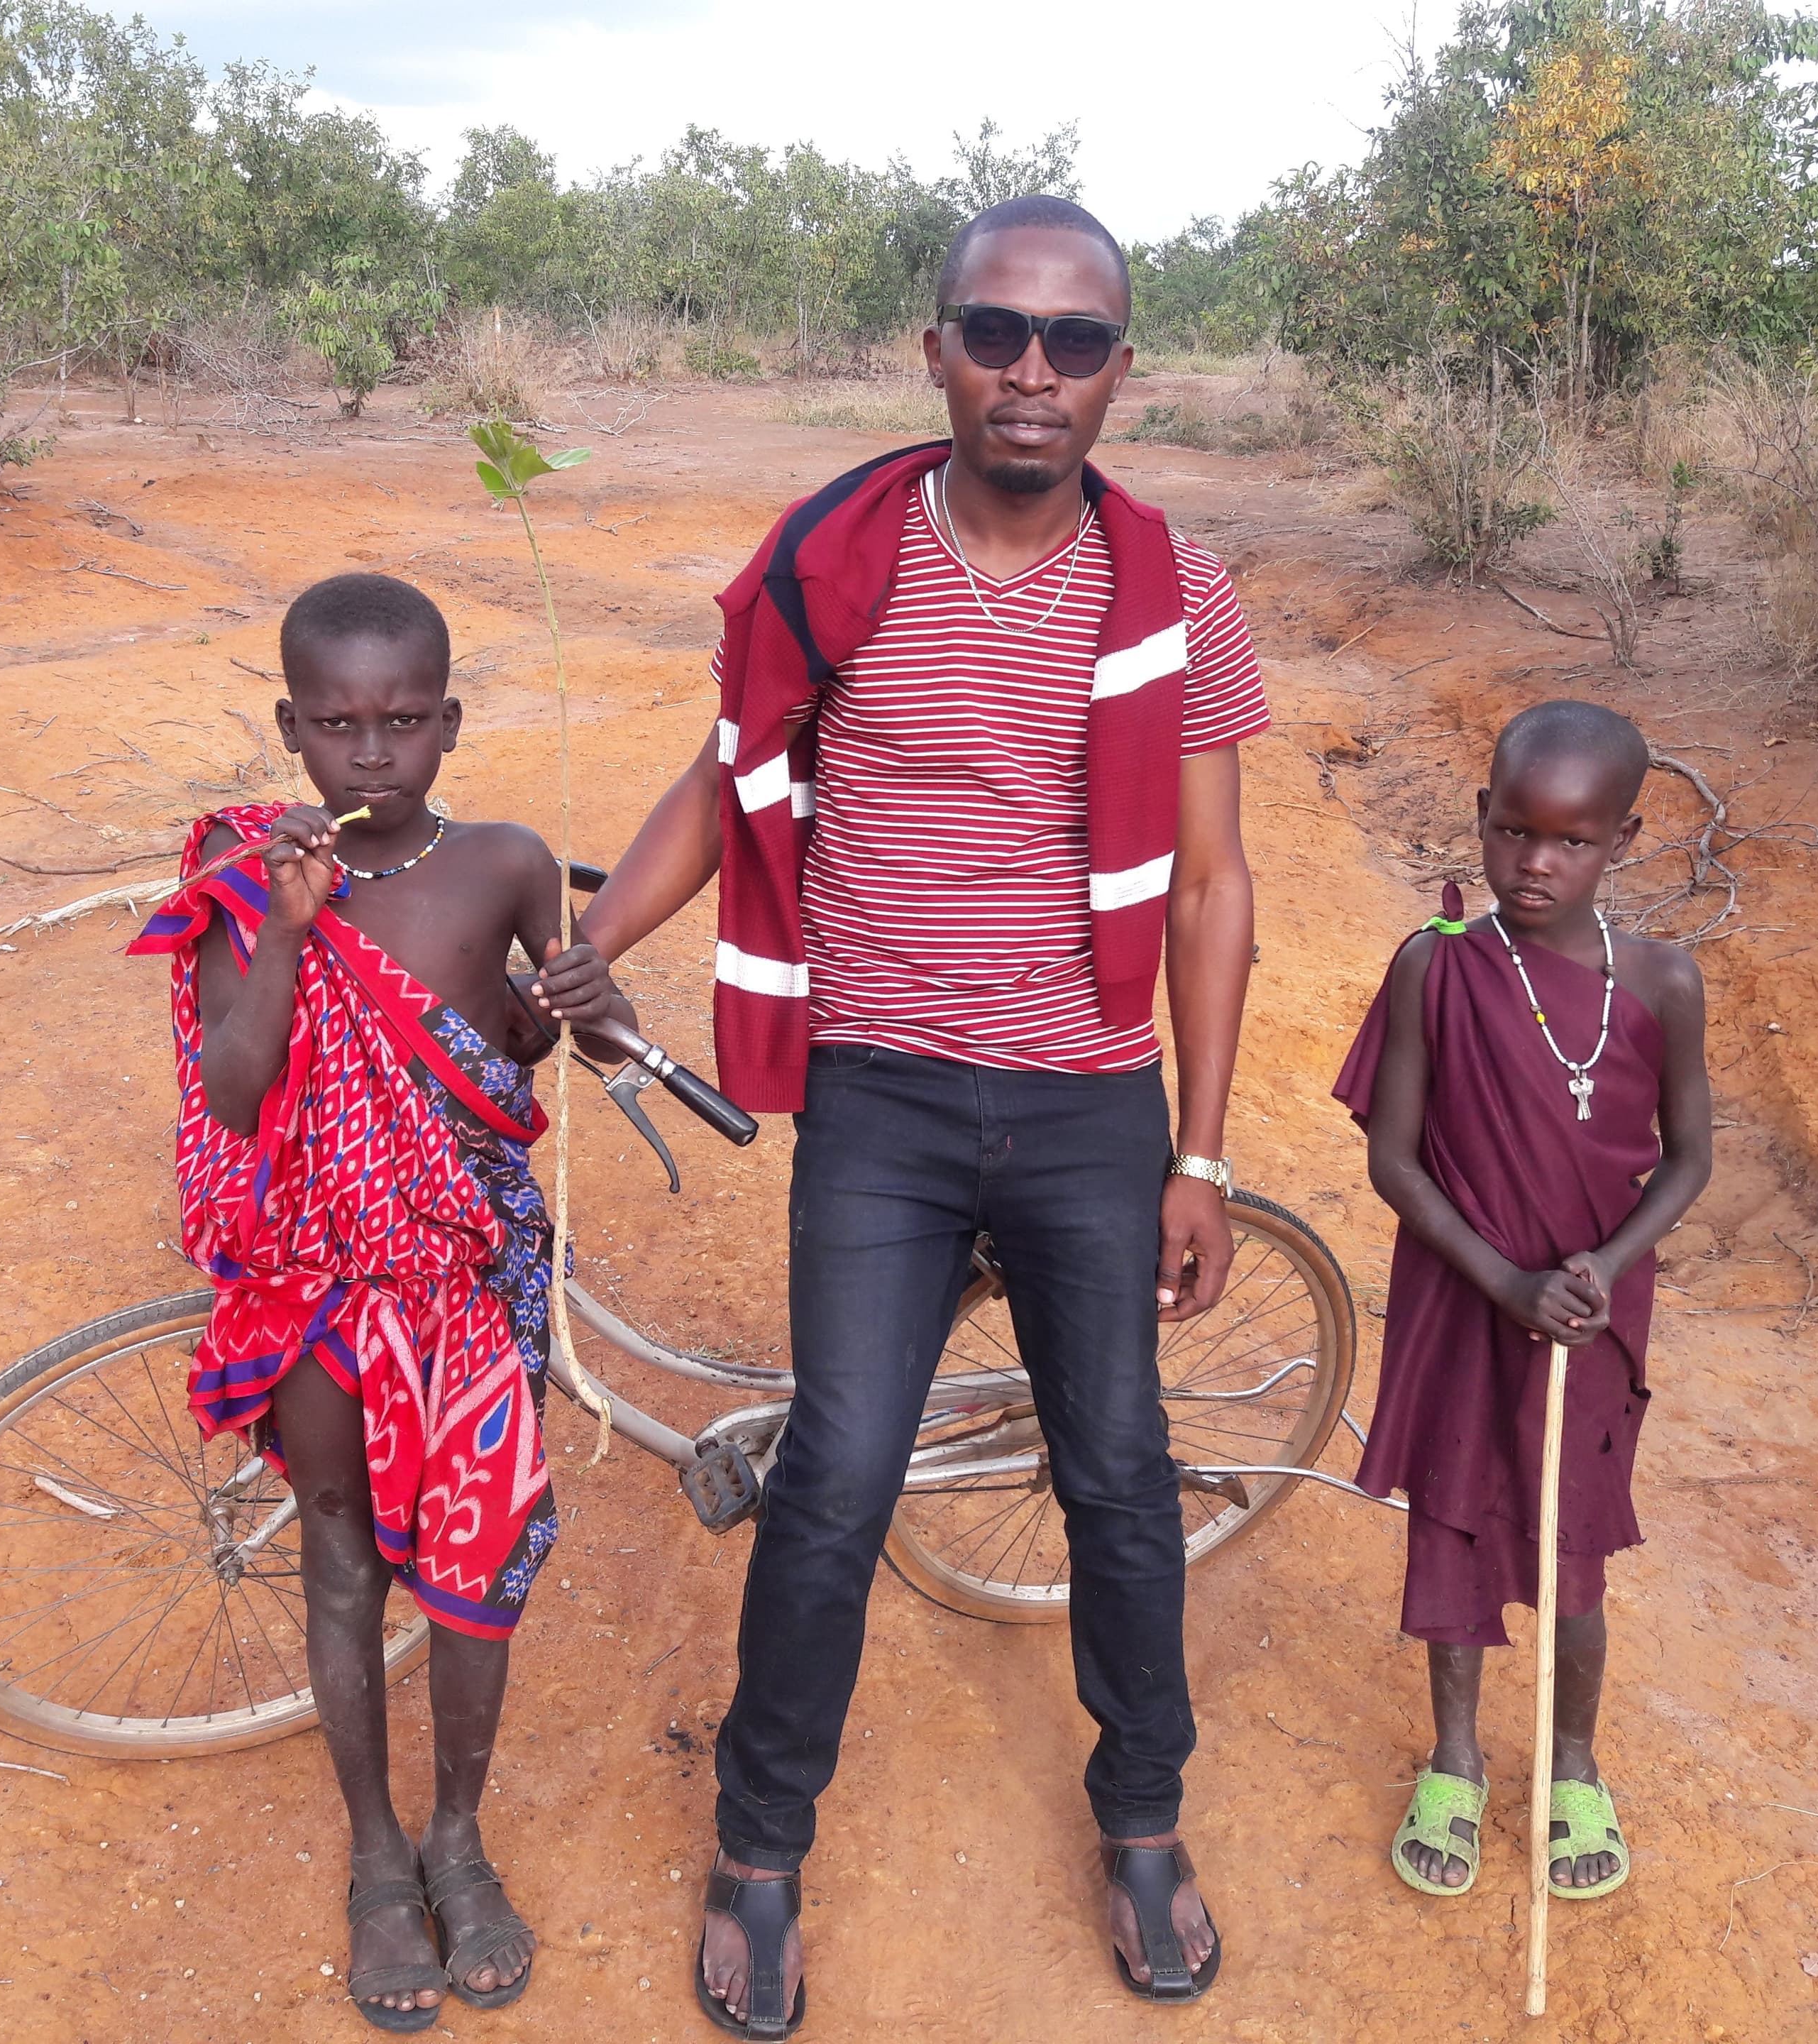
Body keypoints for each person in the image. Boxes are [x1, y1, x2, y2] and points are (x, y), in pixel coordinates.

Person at [533, 194, 1267, 2033]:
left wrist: (1202, 1150)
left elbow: (1210, 884)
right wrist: (592, 939)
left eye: (1075, 341)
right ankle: (761, 1846)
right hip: (884, 1102)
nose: (1034, 373)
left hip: (1095, 1099)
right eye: (996, 333)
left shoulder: (1173, 588)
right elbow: (729, 785)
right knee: (839, 1476)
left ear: (1120, 372)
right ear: (933, 349)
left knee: (1116, 1473)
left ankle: (1145, 1816)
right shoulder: (833, 560)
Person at [129, 572, 638, 2031]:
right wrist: (286, 929)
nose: (371, 754)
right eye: (339, 723)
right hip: (321, 1289)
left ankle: (460, 1840)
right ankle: (373, 1856)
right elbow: (233, 1089)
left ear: (450, 722)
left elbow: (554, 1050)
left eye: (404, 721)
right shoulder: (247, 881)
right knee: (344, 1556)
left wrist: (593, 1016)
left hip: (468, 1280)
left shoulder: (508, 863)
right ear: (289, 725)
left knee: (474, 1570)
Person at [1331, 699, 1714, 1904]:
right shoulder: (1436, 966)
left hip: (1590, 1320)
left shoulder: (1664, 981)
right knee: (1453, 1518)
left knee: (1575, 1543)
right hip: (1464, 1296)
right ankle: (1453, 1759)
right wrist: (1502, 1279)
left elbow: (1689, 1156)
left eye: (1572, 841)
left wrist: (1606, 1264)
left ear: (1624, 837)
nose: (1534, 864)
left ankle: (1573, 1762)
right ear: (1483, 821)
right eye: (1511, 833)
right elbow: (1395, 1159)